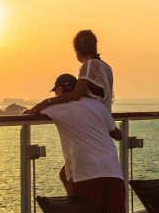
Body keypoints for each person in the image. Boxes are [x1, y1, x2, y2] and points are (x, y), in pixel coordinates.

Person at [41, 73, 128, 213]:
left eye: (56, 92)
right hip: (113, 170)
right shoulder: (97, 106)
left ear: (59, 90)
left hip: (88, 173)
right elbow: (118, 135)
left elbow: (34, 112)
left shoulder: (58, 108)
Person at [25, 29, 114, 193]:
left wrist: (45, 103)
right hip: (103, 126)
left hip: (91, 130)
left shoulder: (89, 65)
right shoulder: (106, 67)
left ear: (77, 51)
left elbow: (76, 94)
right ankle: (80, 209)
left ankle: (78, 210)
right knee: (67, 174)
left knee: (71, 176)